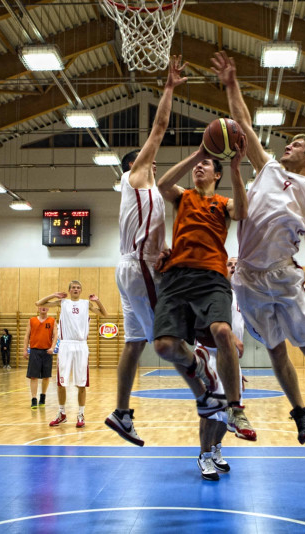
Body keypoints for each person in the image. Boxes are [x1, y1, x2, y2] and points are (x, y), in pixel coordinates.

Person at [210, 51, 305, 444]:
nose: (286, 147)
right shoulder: (268, 168)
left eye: (295, 144)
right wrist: (230, 84)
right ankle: (300, 412)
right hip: (247, 278)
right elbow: (242, 119)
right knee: (276, 350)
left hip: (284, 275)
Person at [104, 56, 186, 447]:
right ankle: (213, 395)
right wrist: (168, 88)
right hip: (139, 268)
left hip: (130, 267)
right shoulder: (136, 178)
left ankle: (121, 412)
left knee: (135, 343)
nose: (152, 159)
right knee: (167, 340)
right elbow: (160, 126)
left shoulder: (147, 191)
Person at [154, 128, 254, 441]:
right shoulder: (183, 197)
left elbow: (243, 211)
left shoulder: (223, 203)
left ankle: (235, 407)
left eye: (207, 164)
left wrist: (237, 169)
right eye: (200, 164)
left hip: (212, 276)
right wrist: (197, 153)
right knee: (164, 346)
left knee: (222, 331)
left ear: (218, 174)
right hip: (177, 276)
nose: (200, 167)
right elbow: (162, 184)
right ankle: (198, 363)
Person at [197, 256, 246, 481]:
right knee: (211, 413)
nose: (234, 267)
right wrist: (233, 338)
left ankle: (216, 449)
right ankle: (204, 455)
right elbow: (208, 324)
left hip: (231, 360)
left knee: (227, 413)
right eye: (229, 264)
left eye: (237, 264)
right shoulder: (210, 291)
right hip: (210, 356)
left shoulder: (240, 295)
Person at [37, 281, 107, 428]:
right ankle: (61, 413)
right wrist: (53, 295)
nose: (75, 289)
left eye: (78, 288)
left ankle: (81, 414)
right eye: (73, 288)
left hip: (81, 345)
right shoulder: (62, 302)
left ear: (81, 290)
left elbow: (104, 314)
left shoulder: (86, 304)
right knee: (61, 382)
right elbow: (39, 303)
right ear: (69, 290)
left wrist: (98, 301)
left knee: (81, 383)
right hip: (66, 345)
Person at [23, 306, 57, 409]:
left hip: (47, 351)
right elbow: (26, 336)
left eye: (46, 306)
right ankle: (34, 398)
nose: (44, 308)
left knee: (46, 376)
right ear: (38, 308)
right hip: (34, 351)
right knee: (34, 376)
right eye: (42, 306)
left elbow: (55, 335)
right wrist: (25, 350)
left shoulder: (52, 320)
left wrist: (52, 347)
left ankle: (43, 396)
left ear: (48, 309)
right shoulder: (32, 320)